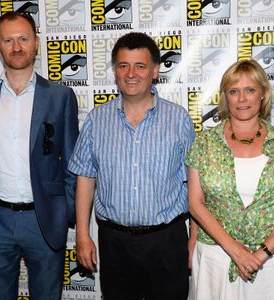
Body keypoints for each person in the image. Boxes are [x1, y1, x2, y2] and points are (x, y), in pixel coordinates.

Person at [68, 32, 195, 300]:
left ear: (155, 71)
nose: (131, 73)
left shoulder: (178, 120)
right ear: (115, 71)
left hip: (167, 241)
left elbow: (195, 185)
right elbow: (85, 178)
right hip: (114, 243)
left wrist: (193, 238)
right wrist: (82, 233)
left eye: (140, 65)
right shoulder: (97, 120)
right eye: (123, 65)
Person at [0, 12, 79, 300]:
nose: (17, 47)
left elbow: (73, 164)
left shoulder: (61, 97)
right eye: (8, 40)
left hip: (44, 221)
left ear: (36, 43)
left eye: (23, 39)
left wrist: (63, 211)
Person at [186, 59, 274, 300]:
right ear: (225, 97)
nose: (242, 99)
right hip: (217, 258)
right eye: (234, 91)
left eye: (250, 90)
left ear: (262, 94)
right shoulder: (204, 143)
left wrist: (261, 254)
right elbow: (195, 203)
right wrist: (236, 251)